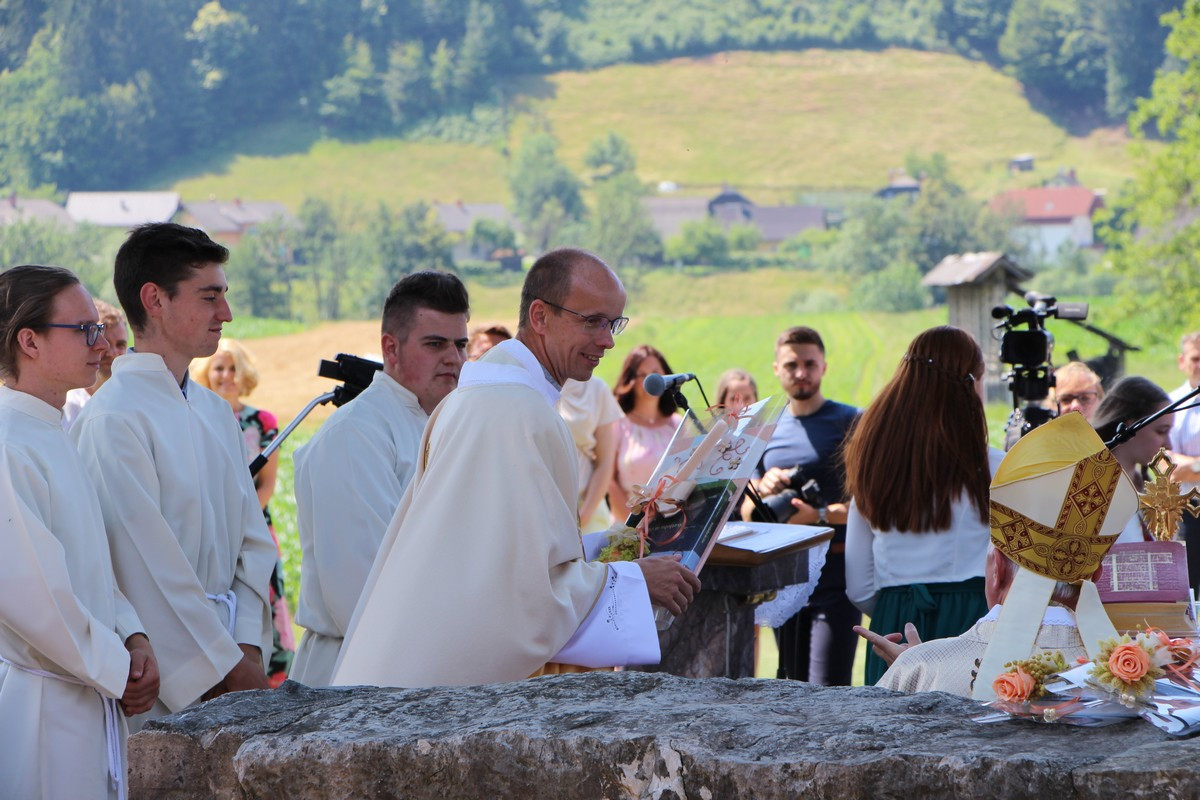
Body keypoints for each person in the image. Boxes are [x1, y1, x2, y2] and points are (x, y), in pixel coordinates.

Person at [333, 248, 701, 688]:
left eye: (613, 323)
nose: (608, 341)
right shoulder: (519, 415)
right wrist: (631, 580)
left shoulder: (482, 400)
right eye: (592, 321)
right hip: (435, 695)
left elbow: (494, 557)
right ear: (540, 316)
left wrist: (603, 546)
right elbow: (518, 600)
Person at [71, 223, 277, 726]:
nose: (225, 313)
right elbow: (144, 567)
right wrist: (222, 666)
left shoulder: (213, 411)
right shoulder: (114, 418)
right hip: (165, 683)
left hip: (234, 665)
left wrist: (247, 644)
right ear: (154, 300)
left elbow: (254, 540)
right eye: (209, 297)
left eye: (223, 296)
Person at [0, 265, 159, 799]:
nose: (104, 346)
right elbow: (32, 596)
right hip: (45, 706)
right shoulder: (7, 442)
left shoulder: (52, 430)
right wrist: (122, 669)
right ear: (29, 340)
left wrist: (133, 635)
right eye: (84, 330)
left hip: (87, 690)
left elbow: (91, 563)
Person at [290, 271, 470, 687]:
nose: (453, 358)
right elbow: (361, 595)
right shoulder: (354, 436)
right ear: (391, 347)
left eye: (460, 344)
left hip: (432, 665)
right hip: (359, 674)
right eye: (435, 344)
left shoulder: (445, 425)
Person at [844, 325, 1003, 686]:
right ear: (970, 385)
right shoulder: (999, 467)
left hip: (895, 622)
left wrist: (893, 606)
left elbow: (858, 586)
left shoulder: (871, 465)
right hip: (975, 619)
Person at [743, 326, 861, 685]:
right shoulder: (762, 431)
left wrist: (820, 515)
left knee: (828, 687)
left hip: (837, 574)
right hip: (785, 575)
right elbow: (748, 515)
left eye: (810, 363)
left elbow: (871, 506)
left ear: (824, 366)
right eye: (791, 364)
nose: (801, 372)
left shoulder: (852, 422)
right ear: (776, 369)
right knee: (790, 685)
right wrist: (763, 488)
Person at [191, 338, 295, 687]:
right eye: (219, 367)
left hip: (254, 527)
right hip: (210, 527)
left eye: (233, 367)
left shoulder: (262, 421)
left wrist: (243, 521)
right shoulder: (194, 414)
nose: (226, 375)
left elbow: (266, 484)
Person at [857, 547, 1088, 698]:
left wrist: (919, 666)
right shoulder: (1117, 669)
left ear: (996, 569)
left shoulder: (918, 666)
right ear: (1095, 576)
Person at [1092, 376, 1174, 544]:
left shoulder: (1147, 490)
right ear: (1129, 427)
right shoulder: (1090, 494)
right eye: (1161, 431)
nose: (1169, 444)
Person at [608, 345, 683, 523]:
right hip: (629, 530)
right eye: (642, 375)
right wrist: (634, 524)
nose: (650, 380)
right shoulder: (617, 424)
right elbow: (609, 481)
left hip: (675, 524)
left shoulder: (678, 424)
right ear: (630, 380)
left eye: (656, 373)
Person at [558, 374, 623, 533]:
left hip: (588, 506)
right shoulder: (530, 383)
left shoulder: (597, 389)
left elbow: (605, 461)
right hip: (546, 510)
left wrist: (585, 515)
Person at [61, 299, 128, 429]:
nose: (112, 353)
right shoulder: (68, 407)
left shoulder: (131, 402)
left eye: (120, 345)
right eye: (105, 342)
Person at [1168, 332, 1200, 589]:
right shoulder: (1171, 403)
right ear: (1182, 361)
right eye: (1196, 358)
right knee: (1188, 586)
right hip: (1187, 510)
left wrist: (1191, 466)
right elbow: (1167, 465)